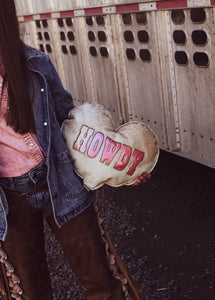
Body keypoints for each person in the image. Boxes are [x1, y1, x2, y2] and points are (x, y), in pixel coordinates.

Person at [0, 1, 151, 299]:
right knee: (30, 292)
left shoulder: (35, 65)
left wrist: (123, 167)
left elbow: (72, 123)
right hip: (10, 200)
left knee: (101, 283)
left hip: (61, 182)